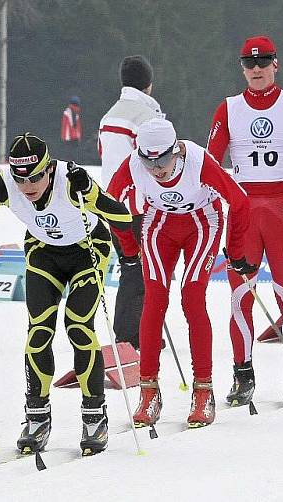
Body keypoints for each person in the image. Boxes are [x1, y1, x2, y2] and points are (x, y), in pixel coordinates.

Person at [0, 133, 132, 455]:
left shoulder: (69, 180)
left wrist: (88, 191)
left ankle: (94, 416)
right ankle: (36, 417)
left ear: (49, 169)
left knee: (78, 326)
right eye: (20, 178)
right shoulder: (4, 185)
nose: (27, 186)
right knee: (38, 332)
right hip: (44, 252)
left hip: (87, 249)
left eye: (34, 177)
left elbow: (123, 220)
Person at [107, 117, 253, 429]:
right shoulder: (134, 164)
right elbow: (109, 204)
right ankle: (149, 391)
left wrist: (236, 250)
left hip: (202, 222)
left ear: (177, 152)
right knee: (154, 300)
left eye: (163, 160)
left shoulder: (198, 160)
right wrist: (128, 248)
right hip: (159, 224)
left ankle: (203, 390)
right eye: (149, 162)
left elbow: (239, 200)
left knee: (191, 298)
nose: (157, 169)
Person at [207, 35, 283, 407]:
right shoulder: (227, 108)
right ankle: (243, 376)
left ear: (276, 64)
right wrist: (217, 204)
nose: (256, 69)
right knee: (240, 296)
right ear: (241, 68)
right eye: (249, 63)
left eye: (263, 62)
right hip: (242, 212)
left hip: (281, 210)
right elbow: (209, 164)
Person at [98, 55, 163, 349]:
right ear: (148, 84)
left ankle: (130, 332)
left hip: (110, 203)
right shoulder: (148, 117)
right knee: (146, 269)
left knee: (130, 266)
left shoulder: (110, 115)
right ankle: (133, 335)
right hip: (139, 205)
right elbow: (155, 163)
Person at [61, 96, 83, 161]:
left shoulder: (67, 112)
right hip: (74, 136)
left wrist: (64, 136)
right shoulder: (75, 113)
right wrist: (79, 136)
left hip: (68, 136)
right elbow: (77, 126)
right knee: (74, 152)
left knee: (68, 153)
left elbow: (65, 125)